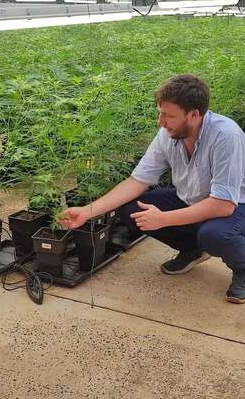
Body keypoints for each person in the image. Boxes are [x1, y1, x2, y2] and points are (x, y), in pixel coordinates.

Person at [58, 74, 245, 304]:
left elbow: (223, 204)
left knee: (214, 235)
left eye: (168, 115)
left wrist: (165, 218)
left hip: (237, 205)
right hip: (192, 198)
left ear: (194, 114)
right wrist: (87, 211)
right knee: (132, 210)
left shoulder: (226, 136)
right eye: (160, 112)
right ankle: (192, 250)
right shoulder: (168, 134)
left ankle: (242, 268)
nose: (161, 121)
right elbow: (137, 181)